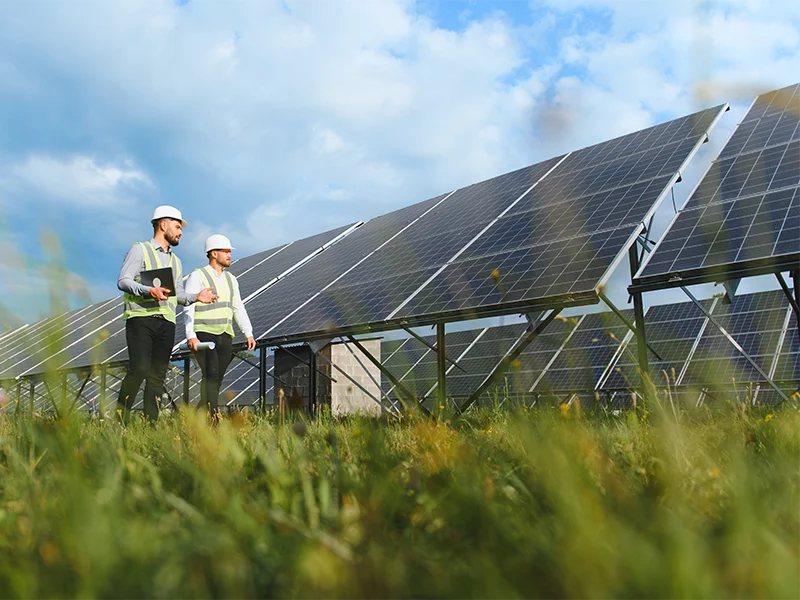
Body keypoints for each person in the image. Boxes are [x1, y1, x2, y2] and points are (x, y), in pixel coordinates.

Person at [116, 205, 217, 421]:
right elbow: (123, 281)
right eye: (177, 227)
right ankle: (120, 419)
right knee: (139, 369)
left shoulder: (176, 261)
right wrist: (148, 290)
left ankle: (150, 424)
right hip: (140, 319)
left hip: (167, 323)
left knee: (157, 377)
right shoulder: (140, 250)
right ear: (163, 225)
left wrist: (196, 297)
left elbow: (177, 295)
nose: (181, 232)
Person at [184, 234, 256, 415]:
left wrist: (248, 332)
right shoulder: (198, 276)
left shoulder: (232, 279)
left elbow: (238, 307)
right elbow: (188, 306)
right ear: (214, 253)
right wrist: (190, 335)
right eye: (226, 251)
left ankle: (198, 418)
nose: (229, 255)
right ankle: (213, 419)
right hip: (204, 333)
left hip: (225, 334)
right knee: (211, 375)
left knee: (216, 380)